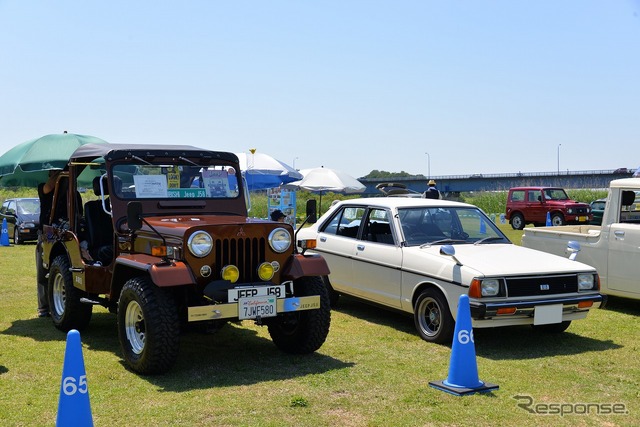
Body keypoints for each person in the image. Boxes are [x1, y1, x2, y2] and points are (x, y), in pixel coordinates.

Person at [35, 169, 61, 317]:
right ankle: (44, 308)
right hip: (47, 234)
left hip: (64, 234)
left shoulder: (72, 192)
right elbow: (49, 187)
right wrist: (61, 172)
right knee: (42, 273)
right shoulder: (43, 187)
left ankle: (57, 304)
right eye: (53, 174)